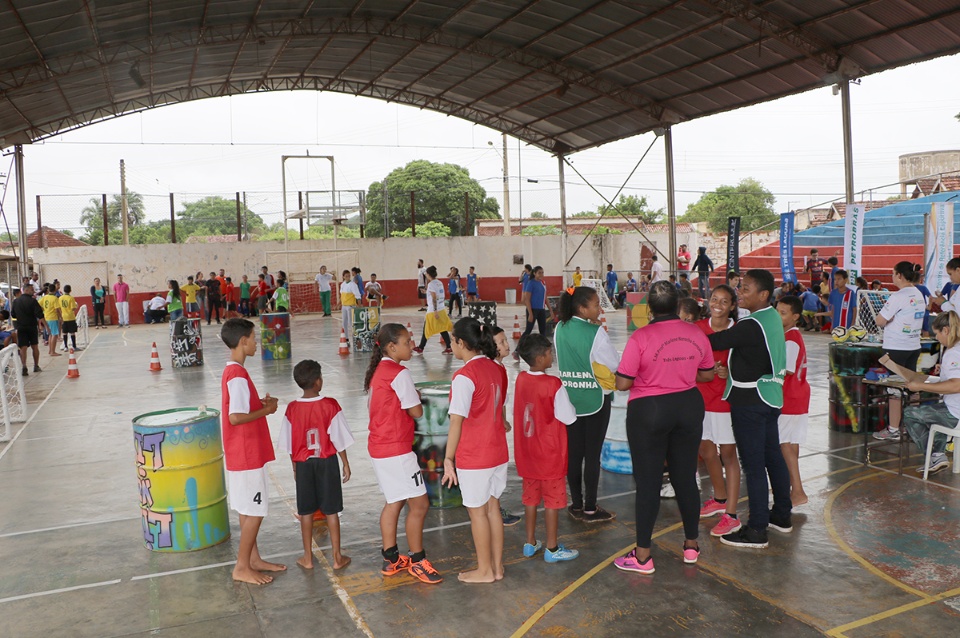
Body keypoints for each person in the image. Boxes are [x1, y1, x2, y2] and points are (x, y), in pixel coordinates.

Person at [613, 281, 714, 574]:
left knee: (648, 482)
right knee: (685, 477)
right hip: (688, 406)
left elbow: (623, 383)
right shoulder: (695, 332)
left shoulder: (640, 337)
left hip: (650, 410)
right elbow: (707, 374)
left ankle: (643, 557)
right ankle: (692, 545)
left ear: (648, 309)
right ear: (677, 305)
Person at [706, 269, 792, 549]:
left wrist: (681, 330)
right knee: (772, 458)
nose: (740, 292)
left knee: (754, 466)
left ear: (764, 295)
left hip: (751, 401)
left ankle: (756, 530)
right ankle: (781, 515)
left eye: (745, 289)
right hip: (769, 398)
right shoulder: (769, 319)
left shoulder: (753, 324)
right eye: (740, 288)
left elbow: (716, 341)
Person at [364, 323, 444, 584]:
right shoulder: (399, 373)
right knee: (419, 504)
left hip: (380, 446)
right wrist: (416, 399)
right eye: (407, 342)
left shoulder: (380, 372)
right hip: (396, 450)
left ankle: (391, 558)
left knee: (395, 501)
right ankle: (418, 560)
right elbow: (416, 412)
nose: (411, 345)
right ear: (391, 347)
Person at [440, 317, 509, 583]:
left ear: (460, 343)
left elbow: (456, 422)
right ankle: (497, 567)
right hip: (498, 452)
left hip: (475, 456)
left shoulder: (464, 377)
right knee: (493, 508)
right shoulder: (496, 368)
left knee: (477, 512)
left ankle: (484, 571)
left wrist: (448, 459)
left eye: (452, 341)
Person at [219, 318, 284, 584]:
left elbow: (242, 408)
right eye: (254, 338)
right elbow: (235, 417)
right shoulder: (236, 375)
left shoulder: (235, 372)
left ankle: (253, 559)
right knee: (255, 511)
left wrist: (259, 404)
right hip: (246, 453)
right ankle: (241, 566)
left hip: (242, 453)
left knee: (247, 509)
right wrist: (266, 410)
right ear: (243, 341)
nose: (257, 342)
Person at [278, 359, 353, 570]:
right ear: (318, 381)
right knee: (331, 511)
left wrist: (294, 467)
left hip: (303, 464)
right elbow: (338, 439)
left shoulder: (292, 408)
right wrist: (345, 463)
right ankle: (337, 557)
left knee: (306, 511)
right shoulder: (330, 405)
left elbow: (290, 444)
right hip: (327, 462)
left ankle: (307, 558)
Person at [554, 286, 620, 523]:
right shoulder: (596, 333)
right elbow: (613, 363)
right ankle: (591, 508)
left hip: (570, 400)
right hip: (595, 399)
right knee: (592, 456)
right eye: (595, 305)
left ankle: (577, 504)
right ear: (582, 308)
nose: (599, 308)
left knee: (574, 455)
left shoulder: (559, 328)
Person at [513, 333, 580, 563]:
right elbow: (569, 417)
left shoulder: (521, 379)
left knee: (530, 499)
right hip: (549, 455)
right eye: (550, 352)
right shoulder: (553, 384)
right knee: (552, 502)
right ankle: (552, 548)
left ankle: (530, 543)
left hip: (527, 454)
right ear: (541, 357)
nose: (552, 356)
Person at [879, 311, 960, 475]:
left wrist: (921, 387)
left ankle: (933, 455)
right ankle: (937, 454)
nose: (936, 338)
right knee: (935, 411)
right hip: (953, 407)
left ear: (945, 330)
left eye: (937, 334)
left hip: (955, 412)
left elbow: (955, 385)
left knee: (910, 413)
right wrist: (940, 375)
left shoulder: (953, 353)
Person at [695, 285, 743, 537]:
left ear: (732, 306)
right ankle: (720, 498)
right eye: (715, 299)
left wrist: (729, 373)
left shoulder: (739, 332)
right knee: (705, 449)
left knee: (728, 453)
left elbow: (747, 366)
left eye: (724, 301)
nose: (718, 305)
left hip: (725, 400)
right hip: (700, 400)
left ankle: (731, 515)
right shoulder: (698, 328)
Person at [873, 261, 925, 442]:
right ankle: (914, 427)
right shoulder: (919, 294)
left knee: (894, 388)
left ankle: (894, 429)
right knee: (913, 386)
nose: (892, 276)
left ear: (900, 276)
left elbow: (880, 321)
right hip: (913, 346)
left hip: (896, 348)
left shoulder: (898, 296)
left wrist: (890, 318)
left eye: (894, 273)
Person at [777, 295, 811, 506]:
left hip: (790, 397)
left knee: (784, 444)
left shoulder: (790, 338)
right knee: (790, 443)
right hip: (797, 396)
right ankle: (790, 484)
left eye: (783, 313)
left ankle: (798, 490)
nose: (778, 316)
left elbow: (786, 369)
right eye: (777, 311)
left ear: (795, 316)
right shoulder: (791, 336)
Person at [489, 324, 522, 527]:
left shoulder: (500, 367)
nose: (506, 344)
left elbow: (500, 400)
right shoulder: (494, 368)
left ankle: (494, 508)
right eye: (500, 342)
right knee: (493, 471)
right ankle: (494, 511)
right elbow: (495, 399)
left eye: (505, 340)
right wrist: (501, 420)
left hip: (495, 426)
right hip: (490, 431)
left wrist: (503, 419)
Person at [413, 266, 452, 355]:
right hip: (442, 309)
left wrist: (435, 311)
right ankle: (449, 347)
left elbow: (434, 297)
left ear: (429, 274)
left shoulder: (431, 284)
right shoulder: (439, 282)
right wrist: (426, 292)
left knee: (426, 329)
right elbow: (438, 294)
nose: (425, 274)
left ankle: (421, 347)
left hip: (433, 311)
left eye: (426, 273)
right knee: (442, 328)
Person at [11, 284, 44, 376]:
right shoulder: (33, 301)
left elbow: (13, 314)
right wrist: (45, 326)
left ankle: (24, 366)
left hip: (21, 327)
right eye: (32, 289)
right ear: (26, 290)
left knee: (23, 347)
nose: (33, 291)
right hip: (32, 326)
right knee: (35, 346)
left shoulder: (16, 301)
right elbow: (39, 314)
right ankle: (36, 365)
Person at [521, 266, 547, 337]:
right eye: (539, 273)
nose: (541, 274)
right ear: (535, 273)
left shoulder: (543, 283)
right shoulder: (531, 283)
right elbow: (527, 299)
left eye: (542, 273)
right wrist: (530, 313)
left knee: (543, 330)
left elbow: (545, 297)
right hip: (533, 309)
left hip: (541, 310)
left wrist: (550, 310)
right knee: (528, 330)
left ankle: (543, 346)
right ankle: (520, 345)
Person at [339, 270, 361, 346]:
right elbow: (342, 295)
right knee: (344, 323)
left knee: (351, 323)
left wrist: (359, 304)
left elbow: (357, 295)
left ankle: (356, 338)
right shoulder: (342, 285)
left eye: (349, 276)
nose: (348, 277)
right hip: (344, 306)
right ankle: (346, 339)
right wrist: (340, 303)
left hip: (351, 306)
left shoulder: (353, 285)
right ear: (343, 277)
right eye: (346, 276)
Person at [40, 284, 61, 356]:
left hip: (46, 317)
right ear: (55, 290)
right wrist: (61, 317)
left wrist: (43, 310)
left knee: (50, 335)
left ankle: (50, 350)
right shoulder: (55, 298)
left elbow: (38, 304)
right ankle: (53, 351)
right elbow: (57, 309)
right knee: (54, 335)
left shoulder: (45, 297)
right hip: (53, 317)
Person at [58, 285, 79, 352]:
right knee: (72, 332)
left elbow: (59, 307)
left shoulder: (60, 298)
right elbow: (73, 308)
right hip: (70, 317)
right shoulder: (71, 298)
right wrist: (76, 306)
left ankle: (65, 346)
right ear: (70, 290)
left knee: (64, 332)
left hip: (63, 316)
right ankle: (74, 346)